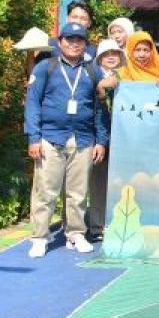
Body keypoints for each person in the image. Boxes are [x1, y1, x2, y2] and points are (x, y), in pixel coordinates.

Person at [23, 22, 108, 258]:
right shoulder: (44, 67)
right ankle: (40, 238)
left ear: (85, 44)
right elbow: (32, 103)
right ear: (60, 42)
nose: (74, 43)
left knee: (78, 193)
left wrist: (101, 140)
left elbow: (100, 108)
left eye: (79, 40)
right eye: (69, 39)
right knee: (44, 192)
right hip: (50, 138)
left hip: (83, 139)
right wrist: (33, 137)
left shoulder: (93, 71)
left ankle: (76, 234)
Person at [88, 40, 124, 242]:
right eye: (106, 53)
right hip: (100, 137)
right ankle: (97, 225)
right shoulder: (91, 75)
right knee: (98, 183)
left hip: (125, 140)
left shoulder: (128, 76)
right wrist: (100, 88)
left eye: (115, 53)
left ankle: (118, 224)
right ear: (99, 57)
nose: (111, 56)